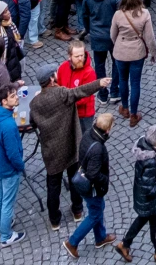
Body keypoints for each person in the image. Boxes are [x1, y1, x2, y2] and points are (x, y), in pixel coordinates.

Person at [31, 64, 108, 229]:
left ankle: (54, 220)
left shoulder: (35, 102)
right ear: (52, 79)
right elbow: (81, 91)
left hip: (50, 150)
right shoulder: (61, 94)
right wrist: (99, 83)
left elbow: (32, 123)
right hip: (70, 145)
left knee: (53, 185)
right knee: (74, 179)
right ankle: (77, 211)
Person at [64, 111, 117, 256]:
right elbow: (93, 174)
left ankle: (100, 237)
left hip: (84, 183)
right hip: (92, 187)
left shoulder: (89, 133)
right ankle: (73, 242)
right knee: (94, 214)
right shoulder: (98, 148)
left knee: (98, 208)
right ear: (107, 129)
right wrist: (105, 180)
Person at [117, 124, 156, 262]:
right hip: (150, 200)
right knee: (153, 223)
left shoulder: (143, 149)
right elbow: (149, 187)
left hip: (143, 198)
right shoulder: (152, 160)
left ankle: (126, 244)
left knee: (143, 219)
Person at [0, 82, 27, 246]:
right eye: (12, 96)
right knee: (7, 203)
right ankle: (5, 236)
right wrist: (21, 166)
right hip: (9, 168)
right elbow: (13, 153)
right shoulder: (9, 125)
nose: (16, 97)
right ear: (4, 101)